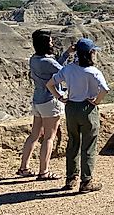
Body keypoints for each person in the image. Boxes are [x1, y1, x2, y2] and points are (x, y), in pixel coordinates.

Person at [46, 37, 109, 193]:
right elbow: (105, 89)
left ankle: (71, 178)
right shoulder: (93, 71)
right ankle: (86, 181)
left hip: (71, 108)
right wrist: (96, 102)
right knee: (88, 145)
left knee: (73, 142)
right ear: (90, 53)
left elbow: (50, 84)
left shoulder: (68, 69)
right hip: (88, 109)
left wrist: (60, 97)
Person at [17, 29, 73, 180]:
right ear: (44, 44)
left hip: (38, 100)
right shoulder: (47, 61)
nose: (52, 43)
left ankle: (24, 168)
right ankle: (44, 171)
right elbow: (65, 72)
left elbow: (55, 67)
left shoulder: (34, 59)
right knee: (49, 137)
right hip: (50, 101)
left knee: (34, 135)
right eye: (50, 41)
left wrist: (67, 53)